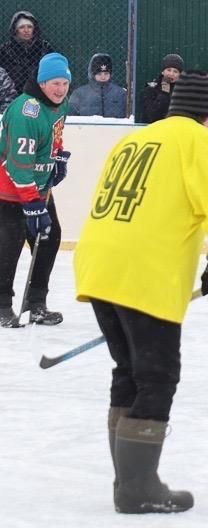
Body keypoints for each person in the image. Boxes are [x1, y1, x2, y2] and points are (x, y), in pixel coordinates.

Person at [73, 71, 208, 513]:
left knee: (128, 371)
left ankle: (127, 481)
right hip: (144, 273)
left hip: (98, 266)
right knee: (157, 376)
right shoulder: (200, 141)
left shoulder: (136, 140)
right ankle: (137, 488)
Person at [0, 53, 71, 328]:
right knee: (10, 245)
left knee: (49, 238)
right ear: (42, 83)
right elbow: (18, 164)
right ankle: (2, 305)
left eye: (64, 83)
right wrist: (32, 203)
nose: (60, 89)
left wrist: (58, 156)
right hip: (10, 191)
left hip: (38, 188)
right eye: (55, 83)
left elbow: (54, 134)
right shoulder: (25, 111)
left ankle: (36, 303)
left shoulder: (60, 104)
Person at [0, 11, 53, 94]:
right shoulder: (5, 50)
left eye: (29, 27)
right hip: (13, 92)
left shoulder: (44, 47)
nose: (26, 30)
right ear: (15, 30)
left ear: (34, 29)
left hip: (40, 91)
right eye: (21, 27)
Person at [68, 53, 127, 118]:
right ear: (92, 74)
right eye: (99, 74)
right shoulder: (79, 94)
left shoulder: (121, 94)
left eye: (106, 73)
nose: (103, 77)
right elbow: (70, 117)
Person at [140, 53, 184, 123]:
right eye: (169, 70)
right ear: (163, 71)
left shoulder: (183, 91)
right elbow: (151, 116)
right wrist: (164, 93)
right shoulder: (150, 89)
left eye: (175, 71)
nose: (171, 74)